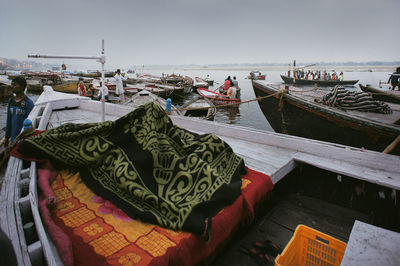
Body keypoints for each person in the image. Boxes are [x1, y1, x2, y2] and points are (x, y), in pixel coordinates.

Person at [4, 77, 34, 147]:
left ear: (22, 87)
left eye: (14, 85)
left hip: (22, 139)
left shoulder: (28, 103)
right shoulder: (11, 101)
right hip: (13, 138)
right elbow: (9, 120)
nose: (12, 87)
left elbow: (31, 123)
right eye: (12, 85)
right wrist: (6, 137)